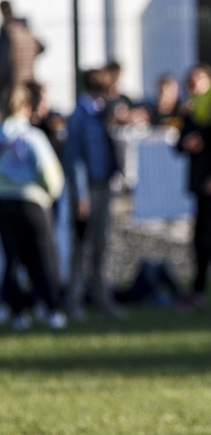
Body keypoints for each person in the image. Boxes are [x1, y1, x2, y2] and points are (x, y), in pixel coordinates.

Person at [0, 84, 65, 330]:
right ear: (27, 107)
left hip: (3, 202)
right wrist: (49, 196)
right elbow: (49, 174)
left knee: (12, 258)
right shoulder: (32, 136)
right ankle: (52, 309)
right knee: (44, 256)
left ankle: (17, 312)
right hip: (31, 202)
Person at [63, 68, 124, 320]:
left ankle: (102, 298)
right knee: (82, 245)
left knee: (101, 244)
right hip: (87, 189)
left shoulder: (101, 113)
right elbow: (74, 158)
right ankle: (75, 301)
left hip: (103, 185)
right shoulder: (79, 115)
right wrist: (81, 195)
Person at [176, 64, 211, 309]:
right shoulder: (190, 110)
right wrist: (186, 143)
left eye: (199, 79)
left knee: (204, 238)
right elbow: (178, 144)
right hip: (200, 181)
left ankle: (200, 290)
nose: (194, 84)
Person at [0, 0, 44, 100]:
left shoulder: (8, 30)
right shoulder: (25, 27)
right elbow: (41, 47)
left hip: (15, 82)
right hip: (30, 80)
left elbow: (4, 61)